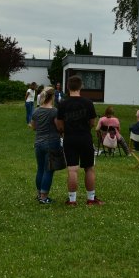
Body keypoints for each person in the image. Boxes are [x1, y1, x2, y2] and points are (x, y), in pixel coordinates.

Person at [54, 74, 102, 206]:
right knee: (89, 168)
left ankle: (72, 200)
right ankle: (91, 199)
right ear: (81, 86)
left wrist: (65, 131)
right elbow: (92, 122)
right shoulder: (88, 103)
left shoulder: (63, 104)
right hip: (85, 137)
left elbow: (59, 125)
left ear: (68, 87)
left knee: (72, 169)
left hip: (70, 138)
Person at [30, 88, 60, 204]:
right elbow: (59, 127)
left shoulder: (36, 111)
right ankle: (44, 197)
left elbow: (33, 127)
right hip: (51, 142)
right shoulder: (54, 112)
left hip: (38, 143)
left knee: (40, 169)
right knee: (49, 170)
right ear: (52, 97)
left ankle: (39, 194)